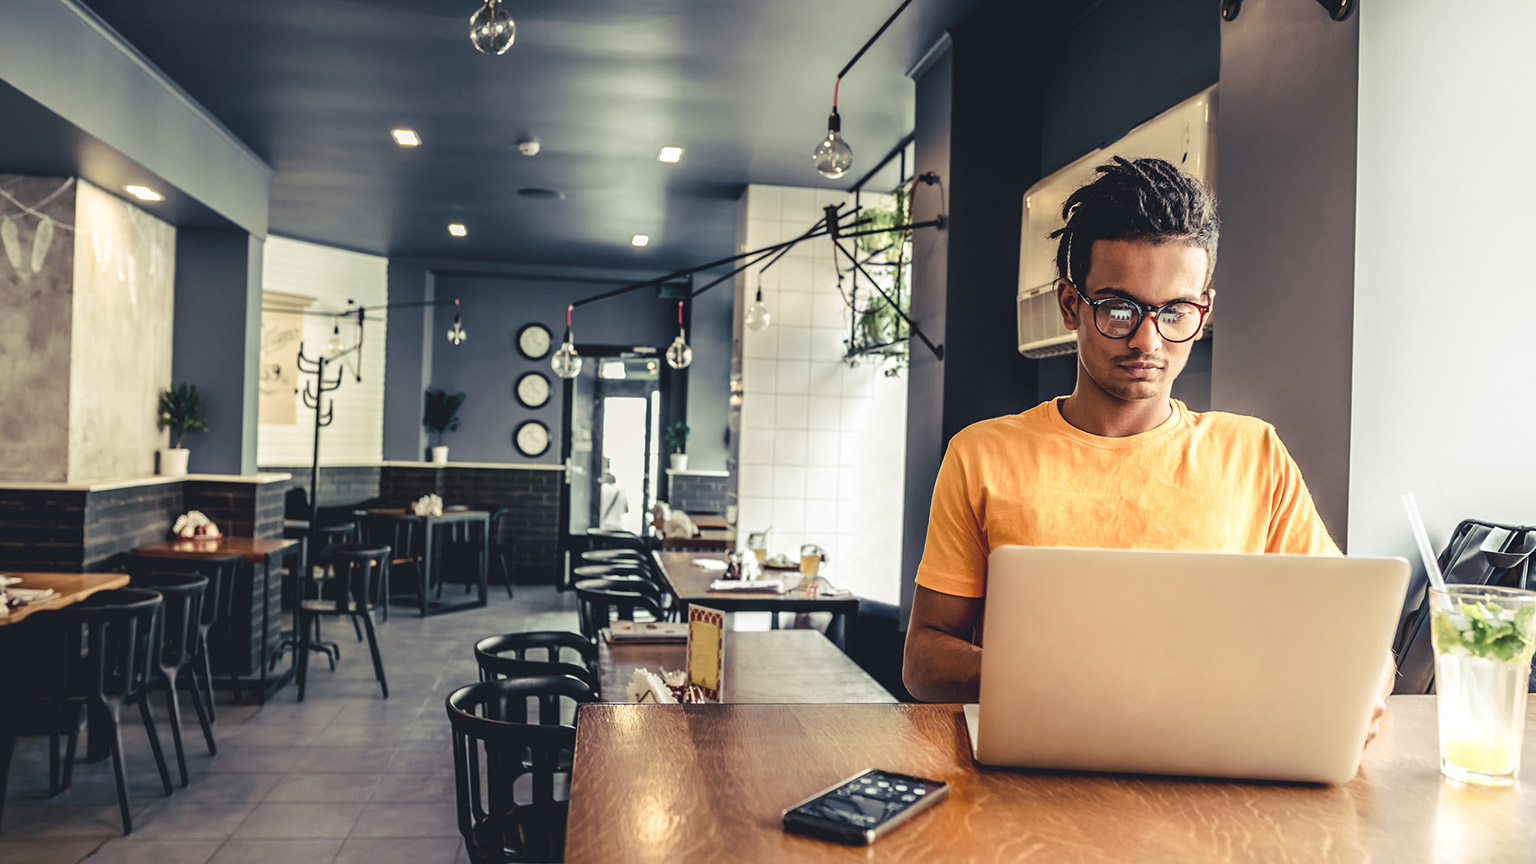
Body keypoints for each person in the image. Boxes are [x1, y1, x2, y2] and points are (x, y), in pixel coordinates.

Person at [901, 156, 1389, 741]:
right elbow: (924, 660)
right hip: (1034, 774)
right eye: (1118, 308)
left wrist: (1368, 684)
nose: (1146, 340)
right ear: (1069, 304)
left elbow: (1350, 636)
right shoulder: (982, 454)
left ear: (1201, 311)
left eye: (1175, 311)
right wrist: (1058, 682)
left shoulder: (1254, 453)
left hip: (1214, 775)